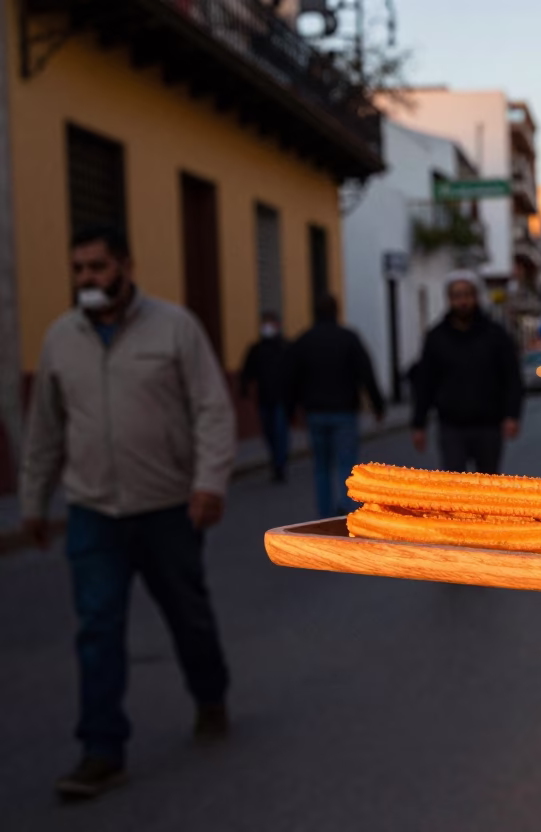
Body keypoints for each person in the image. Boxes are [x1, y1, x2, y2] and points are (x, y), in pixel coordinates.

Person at [20, 225, 237, 800]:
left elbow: (212, 409)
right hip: (93, 511)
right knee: (97, 629)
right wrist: (34, 500)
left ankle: (210, 692)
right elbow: (45, 428)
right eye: (79, 270)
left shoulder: (174, 328)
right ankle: (101, 749)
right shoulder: (60, 339)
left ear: (125, 266)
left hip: (168, 507)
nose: (87, 279)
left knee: (188, 615)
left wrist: (209, 484)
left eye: (97, 267)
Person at [410, 273, 523, 474]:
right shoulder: (436, 337)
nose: (462, 301)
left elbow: (512, 378)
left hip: (488, 425)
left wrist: (512, 415)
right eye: (457, 295)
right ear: (449, 299)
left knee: (488, 489)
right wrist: (419, 424)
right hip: (451, 426)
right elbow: (425, 382)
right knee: (456, 489)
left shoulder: (496, 335)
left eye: (467, 295)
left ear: (476, 297)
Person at [286, 294, 385, 518]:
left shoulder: (304, 341)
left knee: (321, 465)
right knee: (346, 464)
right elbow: (366, 372)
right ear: (337, 311)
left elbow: (291, 378)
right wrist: (378, 405)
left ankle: (324, 513)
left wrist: (291, 411)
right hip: (345, 412)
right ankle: (347, 511)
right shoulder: (349, 339)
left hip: (315, 413)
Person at [239, 311, 289, 482]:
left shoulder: (285, 347)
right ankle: (275, 459)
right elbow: (247, 371)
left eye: (270, 323)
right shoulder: (256, 349)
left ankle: (279, 465)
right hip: (264, 398)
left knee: (280, 432)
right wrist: (244, 388)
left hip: (281, 399)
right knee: (269, 433)